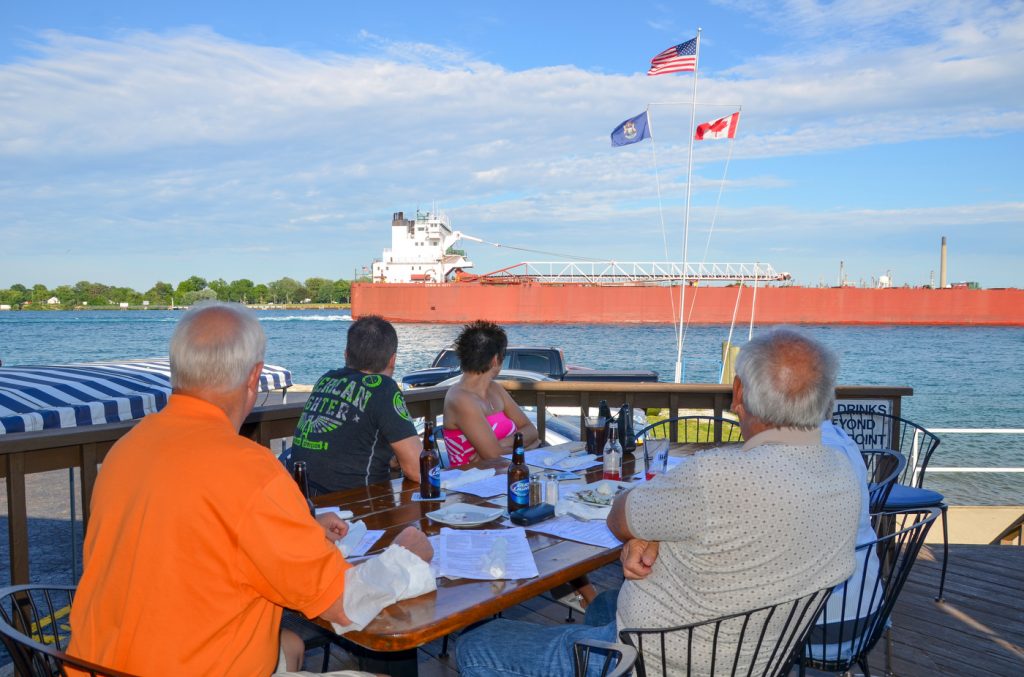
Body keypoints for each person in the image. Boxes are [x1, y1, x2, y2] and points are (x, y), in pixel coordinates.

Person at [457, 328, 861, 676]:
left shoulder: (716, 476)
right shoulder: (844, 475)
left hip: (647, 662)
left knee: (477, 643)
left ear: (739, 393)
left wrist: (642, 530)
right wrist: (652, 535)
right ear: (827, 399)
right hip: (756, 657)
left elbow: (620, 517)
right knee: (604, 608)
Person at [68, 302, 434, 676]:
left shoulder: (128, 447)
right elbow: (343, 604)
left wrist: (299, 525)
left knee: (288, 645)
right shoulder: (249, 470)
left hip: (101, 662)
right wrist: (404, 557)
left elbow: (196, 536)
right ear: (253, 377)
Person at [290, 315, 420, 491]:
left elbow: (344, 448)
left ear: (346, 354)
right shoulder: (383, 388)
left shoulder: (326, 380)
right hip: (355, 507)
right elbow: (418, 470)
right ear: (392, 360)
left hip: (306, 503)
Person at [442, 320, 539, 466]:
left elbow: (532, 431)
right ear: (495, 360)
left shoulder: (495, 388)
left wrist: (501, 444)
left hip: (502, 478)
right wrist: (530, 447)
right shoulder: (460, 398)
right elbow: (493, 456)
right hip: (468, 485)